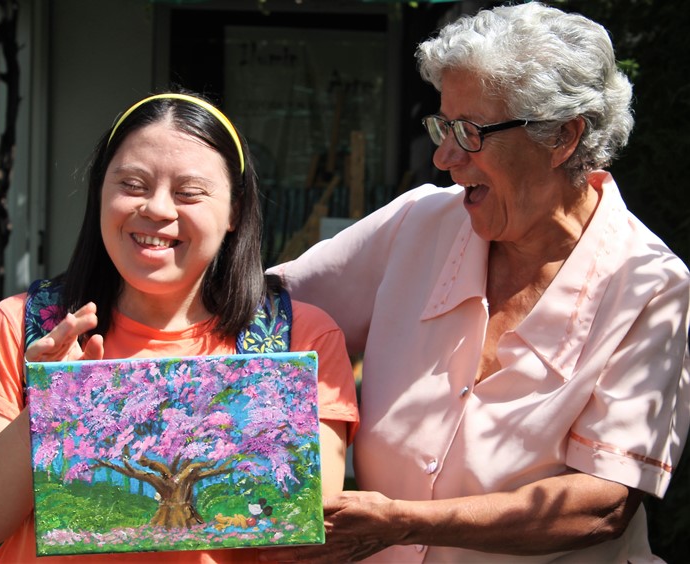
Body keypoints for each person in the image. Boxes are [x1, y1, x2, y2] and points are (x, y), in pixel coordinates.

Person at [263, 3, 690, 563]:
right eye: (443, 126)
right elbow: (260, 317)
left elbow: (602, 504)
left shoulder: (649, 285)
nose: (444, 156)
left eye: (469, 132)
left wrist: (400, 523)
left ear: (562, 137)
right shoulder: (418, 223)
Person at [0, 91, 359, 563]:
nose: (157, 209)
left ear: (236, 210)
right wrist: (50, 405)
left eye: (188, 193)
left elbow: (304, 538)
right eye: (133, 185)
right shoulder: (28, 326)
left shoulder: (298, 340)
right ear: (101, 192)